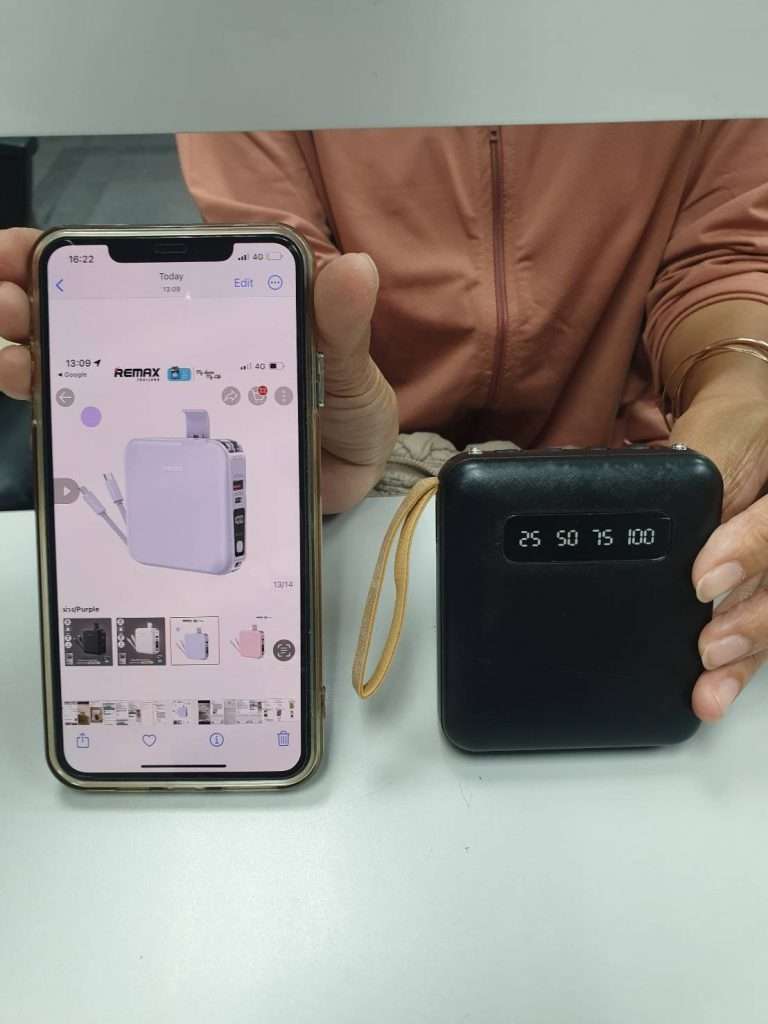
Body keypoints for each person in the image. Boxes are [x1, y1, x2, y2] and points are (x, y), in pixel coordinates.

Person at [2, 120, 768, 723]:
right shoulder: (244, 31)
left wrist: (745, 388)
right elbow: (275, 255)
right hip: (359, 497)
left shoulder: (708, 33)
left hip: (636, 469)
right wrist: (297, 389)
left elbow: (728, 251)